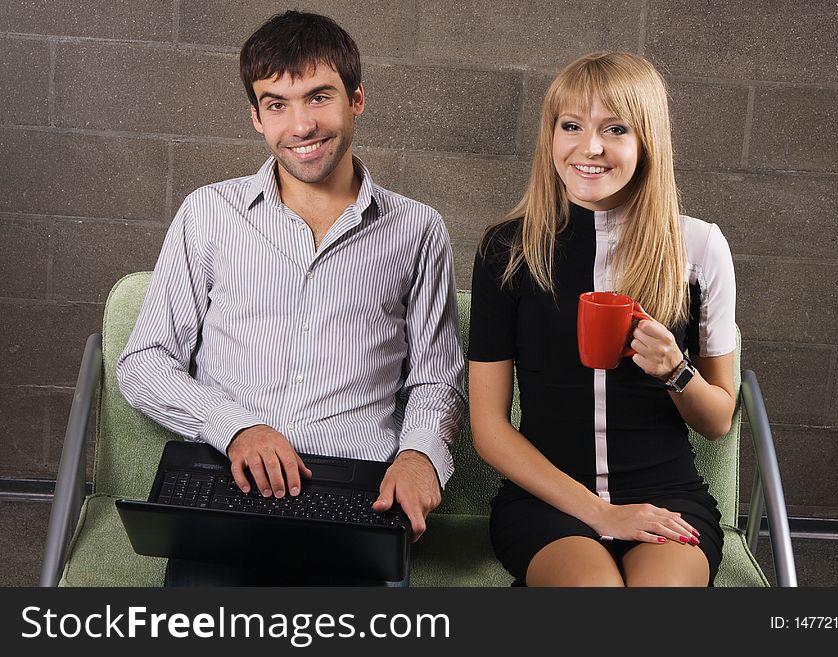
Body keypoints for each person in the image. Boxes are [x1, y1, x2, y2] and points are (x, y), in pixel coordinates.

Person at [117, 10, 465, 586]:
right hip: (228, 478)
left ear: (356, 98)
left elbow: (435, 378)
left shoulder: (418, 229)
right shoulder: (207, 213)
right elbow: (143, 364)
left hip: (360, 490)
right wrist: (235, 428)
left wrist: (421, 455)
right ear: (256, 117)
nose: (300, 125)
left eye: (318, 97)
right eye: (277, 104)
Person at [467, 52, 737, 587]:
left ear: (647, 141)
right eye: (571, 126)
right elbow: (489, 430)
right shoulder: (508, 249)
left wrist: (675, 370)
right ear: (551, 137)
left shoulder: (700, 246)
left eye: (614, 128)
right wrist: (603, 513)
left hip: (666, 494)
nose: (589, 147)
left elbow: (717, 420)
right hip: (548, 502)